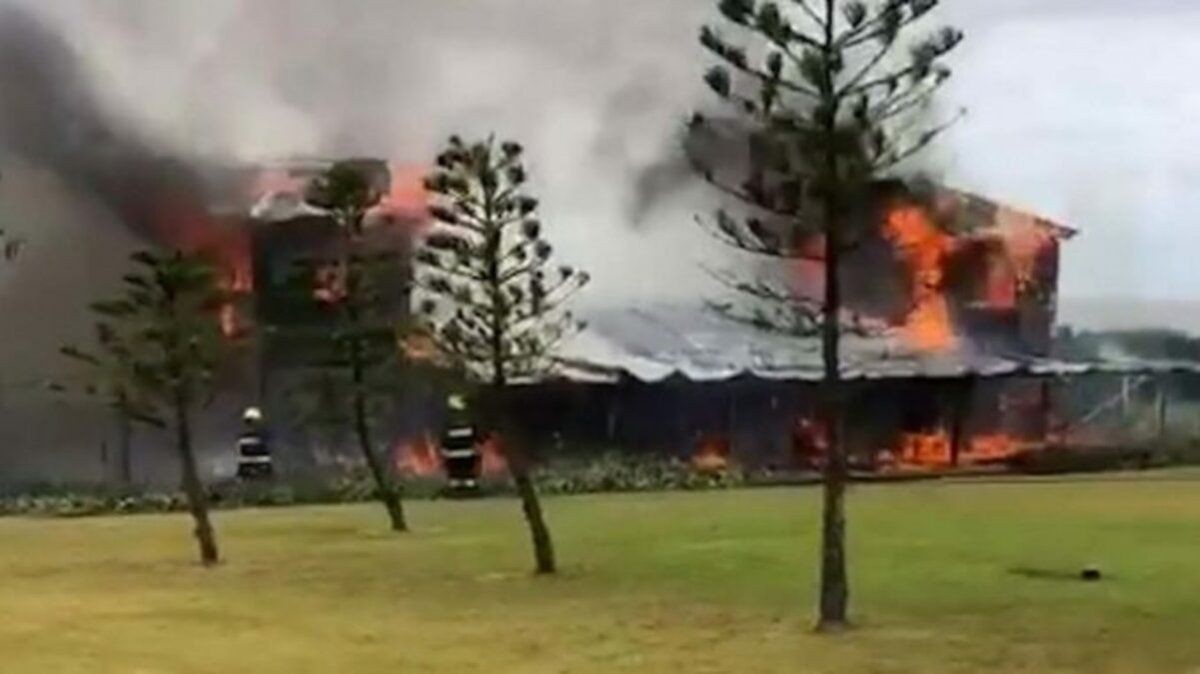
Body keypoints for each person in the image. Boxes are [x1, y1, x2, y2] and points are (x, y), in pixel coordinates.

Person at [440, 393, 481, 493]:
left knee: (458, 477)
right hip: (465, 456)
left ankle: (460, 486)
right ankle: (468, 487)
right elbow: (476, 437)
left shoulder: (448, 424)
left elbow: (444, 440)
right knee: (464, 478)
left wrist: (444, 450)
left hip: (456, 456)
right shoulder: (469, 423)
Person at [236, 406, 273, 479]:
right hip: (249, 469)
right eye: (250, 422)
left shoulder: (264, 436)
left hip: (260, 468)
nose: (252, 424)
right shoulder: (242, 439)